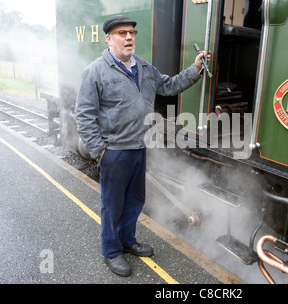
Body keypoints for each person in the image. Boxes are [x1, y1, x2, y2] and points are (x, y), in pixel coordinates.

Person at [75, 15, 207, 277]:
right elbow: (84, 114)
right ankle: (111, 251)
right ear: (109, 38)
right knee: (112, 204)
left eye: (132, 33)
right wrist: (99, 151)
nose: (128, 38)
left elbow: (169, 85)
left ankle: (127, 240)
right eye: (122, 33)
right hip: (113, 151)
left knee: (135, 200)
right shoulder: (96, 71)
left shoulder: (145, 69)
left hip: (139, 147)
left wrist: (195, 69)